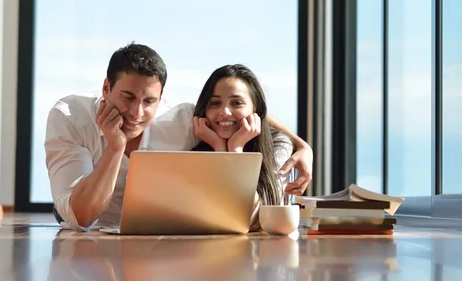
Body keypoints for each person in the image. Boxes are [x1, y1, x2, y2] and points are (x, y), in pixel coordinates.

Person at [45, 43, 313, 231]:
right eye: (128, 97)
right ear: (106, 87)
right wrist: (116, 146)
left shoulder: (180, 119)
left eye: (149, 101)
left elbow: (238, 113)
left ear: (161, 99)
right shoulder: (69, 117)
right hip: (87, 234)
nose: (136, 112)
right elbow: (82, 217)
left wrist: (302, 145)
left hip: (156, 242)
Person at [191, 64, 293, 231]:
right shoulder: (195, 150)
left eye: (237, 103)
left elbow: (253, 217)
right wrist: (219, 149)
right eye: (215, 103)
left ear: (256, 110)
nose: (224, 111)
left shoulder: (278, 144)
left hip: (265, 252)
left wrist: (236, 149)